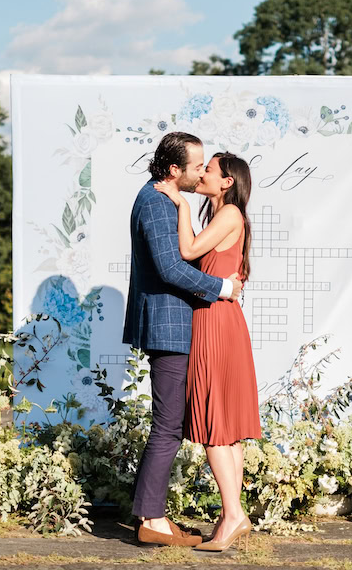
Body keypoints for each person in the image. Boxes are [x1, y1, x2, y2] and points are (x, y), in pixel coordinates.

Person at [123, 132, 244, 548]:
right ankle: (152, 520)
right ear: (174, 169)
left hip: (178, 326)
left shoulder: (167, 200)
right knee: (168, 427)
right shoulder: (156, 201)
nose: (200, 171)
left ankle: (154, 515)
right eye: (196, 166)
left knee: (170, 425)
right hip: (169, 327)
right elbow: (172, 269)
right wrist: (222, 288)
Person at [153, 152, 261, 552]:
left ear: (227, 182)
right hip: (219, 320)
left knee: (217, 424)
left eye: (209, 170)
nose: (201, 174)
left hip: (216, 323)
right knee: (225, 429)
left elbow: (187, 251)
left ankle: (233, 515)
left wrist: (179, 203)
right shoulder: (225, 216)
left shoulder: (230, 215)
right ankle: (232, 514)